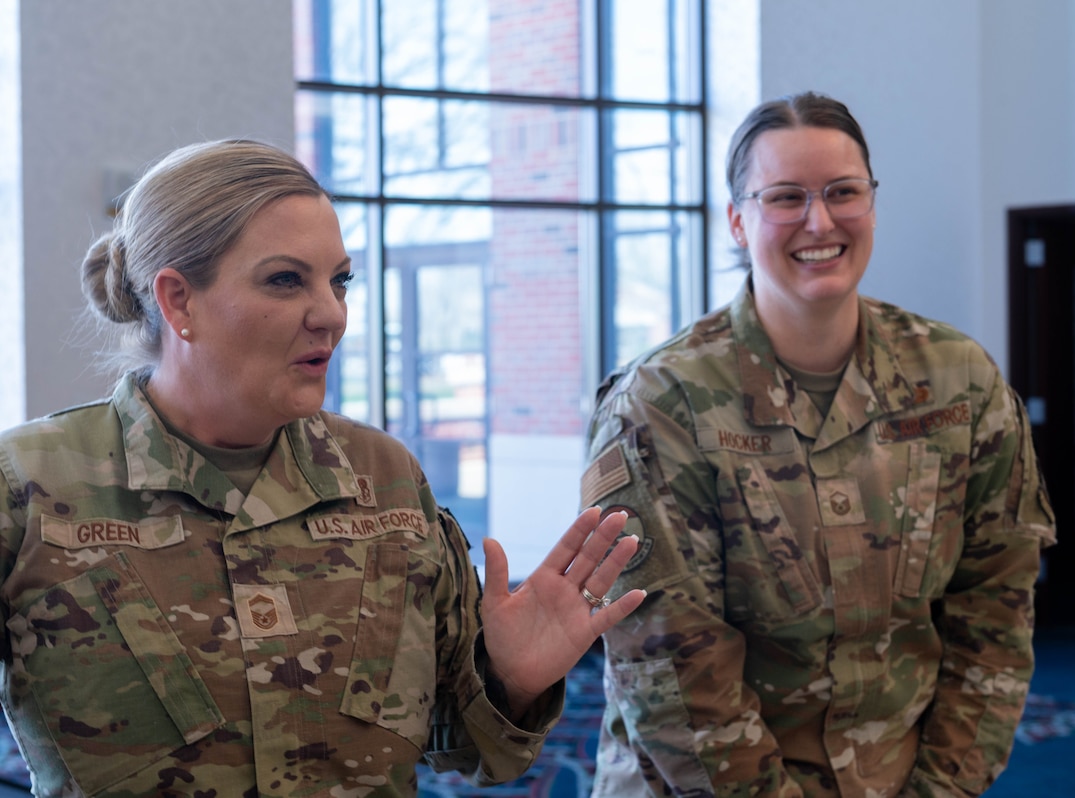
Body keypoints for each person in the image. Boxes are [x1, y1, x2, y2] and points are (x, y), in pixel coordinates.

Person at [0, 138, 645, 797]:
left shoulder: (382, 476)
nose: (332, 314)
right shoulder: (29, 487)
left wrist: (512, 679)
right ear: (178, 300)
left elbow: (468, 749)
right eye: (286, 280)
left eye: (339, 281)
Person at [579, 92, 1057, 797]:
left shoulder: (961, 383)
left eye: (843, 192)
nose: (820, 220)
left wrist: (942, 789)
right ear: (738, 221)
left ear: (872, 202)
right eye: (786, 197)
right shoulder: (660, 403)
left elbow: (996, 613)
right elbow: (674, 670)